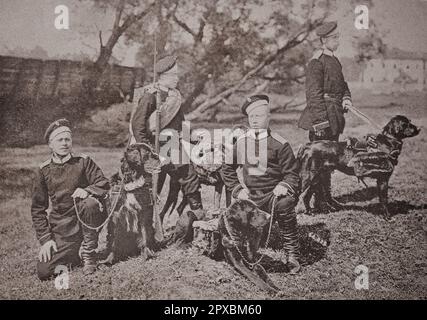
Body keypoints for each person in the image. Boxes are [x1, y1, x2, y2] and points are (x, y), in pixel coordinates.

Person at [221, 95, 301, 274]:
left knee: (285, 204)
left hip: (274, 194)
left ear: (269, 116)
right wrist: (238, 190)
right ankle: (244, 250)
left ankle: (292, 252)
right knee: (236, 219)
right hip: (251, 195)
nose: (255, 121)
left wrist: (284, 185)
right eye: (251, 117)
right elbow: (226, 168)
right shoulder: (242, 142)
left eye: (259, 116)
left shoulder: (280, 143)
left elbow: (293, 173)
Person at [130, 54, 204, 244]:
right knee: (153, 189)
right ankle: (146, 232)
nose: (177, 78)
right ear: (162, 76)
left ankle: (197, 212)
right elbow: (137, 125)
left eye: (177, 74)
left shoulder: (174, 95)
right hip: (152, 147)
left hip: (171, 144)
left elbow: (180, 122)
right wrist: (148, 152)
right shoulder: (150, 96)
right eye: (174, 75)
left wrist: (191, 136)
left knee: (189, 174)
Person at [31, 119, 110, 280]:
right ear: (50, 145)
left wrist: (87, 190)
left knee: (89, 203)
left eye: (68, 139)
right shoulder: (43, 170)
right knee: (45, 272)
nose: (64, 143)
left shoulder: (83, 161)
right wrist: (46, 239)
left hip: (87, 220)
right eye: (59, 140)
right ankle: (72, 255)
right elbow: (38, 209)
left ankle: (89, 254)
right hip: (63, 227)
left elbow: (103, 183)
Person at [298, 21, 353, 213]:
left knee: (329, 162)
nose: (337, 41)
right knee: (316, 164)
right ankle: (312, 202)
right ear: (323, 40)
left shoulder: (335, 61)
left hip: (335, 116)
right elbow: (313, 95)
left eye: (338, 37)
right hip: (322, 119)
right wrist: (321, 123)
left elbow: (343, 85)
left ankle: (326, 198)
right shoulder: (317, 62)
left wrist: (346, 98)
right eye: (333, 38)